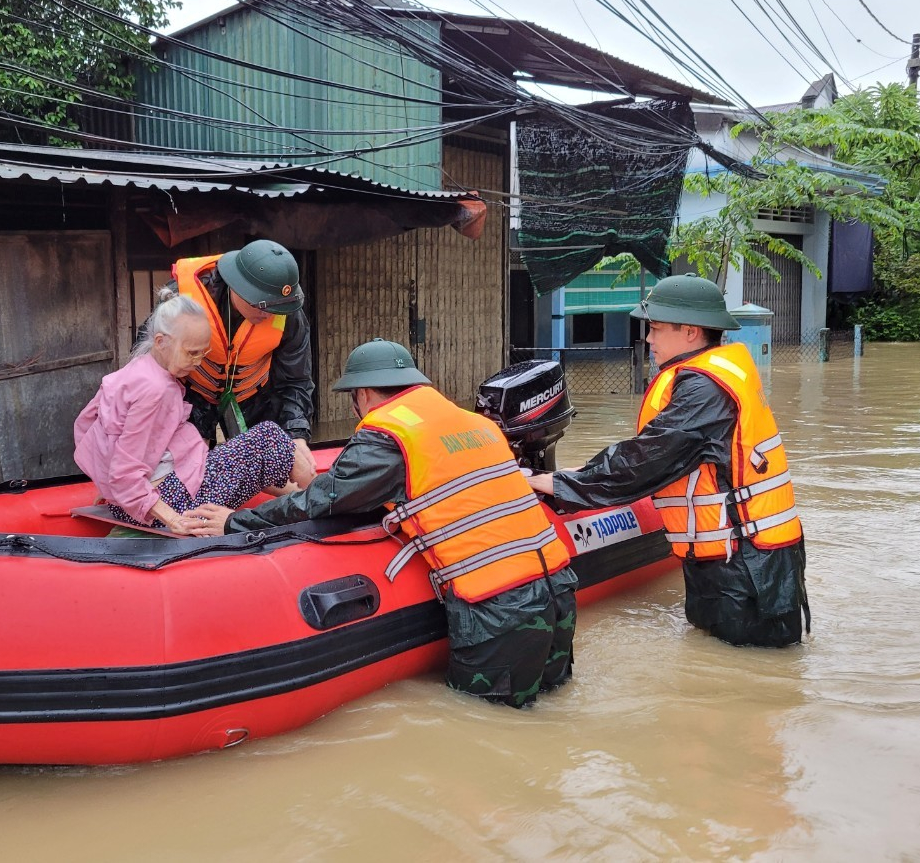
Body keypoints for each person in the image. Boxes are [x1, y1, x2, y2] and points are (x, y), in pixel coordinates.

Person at [183, 338, 578, 708]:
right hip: (557, 587)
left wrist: (235, 522)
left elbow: (323, 500)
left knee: (488, 732)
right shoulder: (472, 423)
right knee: (547, 713)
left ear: (364, 394)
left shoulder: (388, 434)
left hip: (500, 607)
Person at [527, 274, 809, 648]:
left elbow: (650, 459)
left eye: (656, 329)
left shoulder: (704, 388)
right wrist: (586, 472)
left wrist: (561, 485)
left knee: (744, 673)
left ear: (690, 331)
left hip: (747, 569)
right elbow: (667, 452)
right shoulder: (711, 375)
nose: (648, 339)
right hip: (738, 557)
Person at [74, 291, 315, 534]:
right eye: (191, 353)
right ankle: (323, 499)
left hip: (133, 501)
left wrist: (109, 490)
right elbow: (124, 473)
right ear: (160, 342)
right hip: (171, 502)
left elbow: (89, 428)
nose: (198, 362)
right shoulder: (157, 391)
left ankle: (301, 495)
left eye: (203, 353)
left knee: (253, 454)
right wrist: (173, 520)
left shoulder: (134, 370)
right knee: (269, 437)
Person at [165, 238, 314, 449]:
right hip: (190, 393)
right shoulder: (180, 299)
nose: (268, 313)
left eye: (274, 307)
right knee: (189, 467)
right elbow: (152, 370)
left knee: (277, 461)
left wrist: (296, 435)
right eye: (261, 303)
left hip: (255, 396)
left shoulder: (287, 310)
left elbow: (295, 381)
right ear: (237, 286)